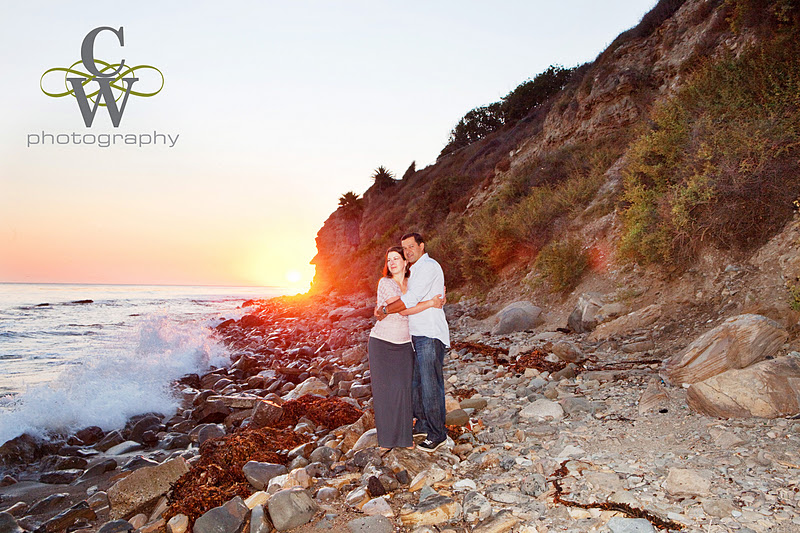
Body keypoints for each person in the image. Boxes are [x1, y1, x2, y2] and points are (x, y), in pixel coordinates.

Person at [377, 233, 450, 452]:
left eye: (411, 246)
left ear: (421, 246)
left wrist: (385, 310)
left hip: (430, 332)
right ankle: (425, 423)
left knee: (430, 385)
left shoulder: (428, 266)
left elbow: (410, 299)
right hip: (416, 334)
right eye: (404, 248)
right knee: (417, 383)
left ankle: (438, 434)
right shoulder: (414, 270)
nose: (407, 251)